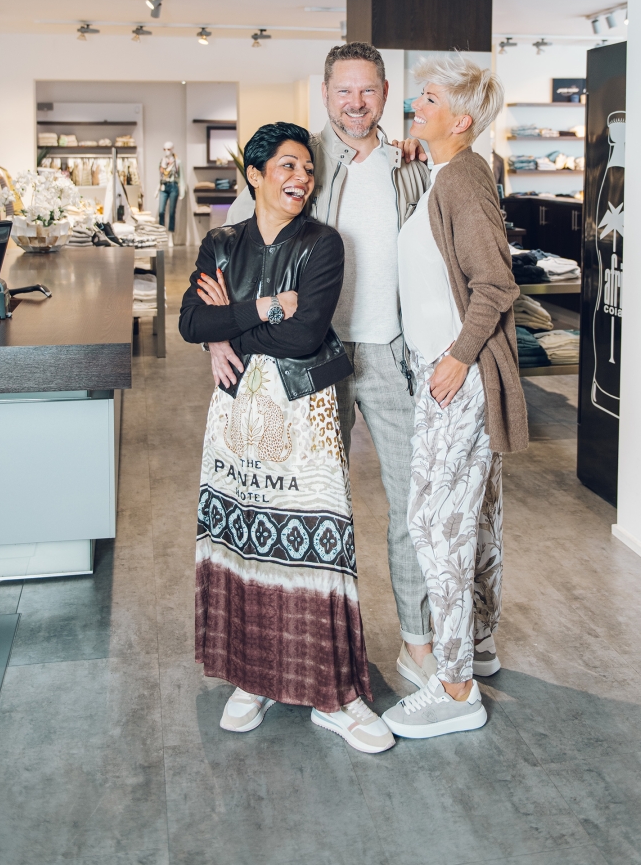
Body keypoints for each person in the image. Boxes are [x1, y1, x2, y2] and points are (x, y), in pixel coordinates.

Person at [214, 44, 437, 687]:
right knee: (301, 506)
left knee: (413, 505)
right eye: (344, 91)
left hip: (392, 355)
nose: (356, 103)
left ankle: (418, 643)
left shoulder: (409, 166)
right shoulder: (298, 159)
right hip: (307, 361)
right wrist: (217, 336)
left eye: (368, 90)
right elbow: (230, 246)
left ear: (386, 93)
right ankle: (291, 652)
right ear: (325, 93)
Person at [179, 121, 395, 755]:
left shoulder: (323, 243)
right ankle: (253, 679)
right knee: (245, 539)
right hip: (236, 413)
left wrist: (227, 324)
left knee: (316, 544)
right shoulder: (221, 243)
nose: (301, 178)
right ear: (255, 175)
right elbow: (190, 321)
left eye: (307, 168)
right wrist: (263, 310)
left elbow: (304, 338)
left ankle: (336, 695)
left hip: (303, 410)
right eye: (287, 167)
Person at [383, 56, 529, 740]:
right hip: (448, 368)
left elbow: (495, 283)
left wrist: (458, 356)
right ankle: (475, 646)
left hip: (456, 372)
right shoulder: (450, 172)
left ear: (462, 119)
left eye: (431, 98)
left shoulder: (463, 178)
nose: (417, 104)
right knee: (470, 515)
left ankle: (455, 686)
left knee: (434, 522)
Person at [158, 141, 182, 246]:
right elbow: (160, 176)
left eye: (168, 149)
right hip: (163, 186)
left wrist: (181, 191)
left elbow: (180, 177)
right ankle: (161, 234)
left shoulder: (177, 162)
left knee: (172, 212)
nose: (166, 151)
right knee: (161, 211)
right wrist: (157, 189)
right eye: (165, 149)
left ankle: (170, 235)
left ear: (172, 149)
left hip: (173, 186)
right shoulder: (162, 161)